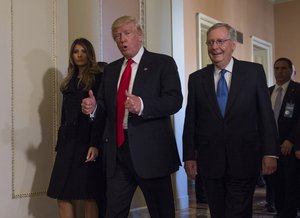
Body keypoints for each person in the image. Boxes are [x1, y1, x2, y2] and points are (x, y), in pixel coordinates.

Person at [81, 16, 183, 218]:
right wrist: (93, 107)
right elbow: (103, 105)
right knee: (113, 212)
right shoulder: (111, 70)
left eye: (126, 33)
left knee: (162, 213)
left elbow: (174, 101)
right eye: (117, 36)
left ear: (140, 36)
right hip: (118, 154)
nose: (121, 40)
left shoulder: (162, 63)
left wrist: (143, 105)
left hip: (152, 155)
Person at [182, 23, 279, 218]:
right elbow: (191, 119)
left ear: (232, 44)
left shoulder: (253, 72)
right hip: (210, 162)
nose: (214, 47)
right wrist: (189, 155)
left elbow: (265, 116)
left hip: (244, 158)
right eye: (210, 42)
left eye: (220, 41)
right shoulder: (197, 79)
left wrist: (270, 152)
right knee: (218, 212)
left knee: (238, 212)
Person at [47, 38, 106, 218]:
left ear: (89, 54)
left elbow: (101, 114)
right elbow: (65, 116)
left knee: (89, 195)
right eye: (75, 51)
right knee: (61, 193)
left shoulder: (98, 78)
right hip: (67, 143)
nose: (79, 55)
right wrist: (60, 143)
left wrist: (94, 144)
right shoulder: (68, 82)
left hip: (86, 141)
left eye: (83, 51)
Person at [269, 57, 300, 218]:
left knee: (291, 184)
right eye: (276, 69)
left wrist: (291, 140)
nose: (279, 72)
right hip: (271, 148)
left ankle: (288, 214)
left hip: (290, 147)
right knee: (276, 184)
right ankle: (280, 212)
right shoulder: (267, 91)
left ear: (291, 70)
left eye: (283, 68)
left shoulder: (298, 90)